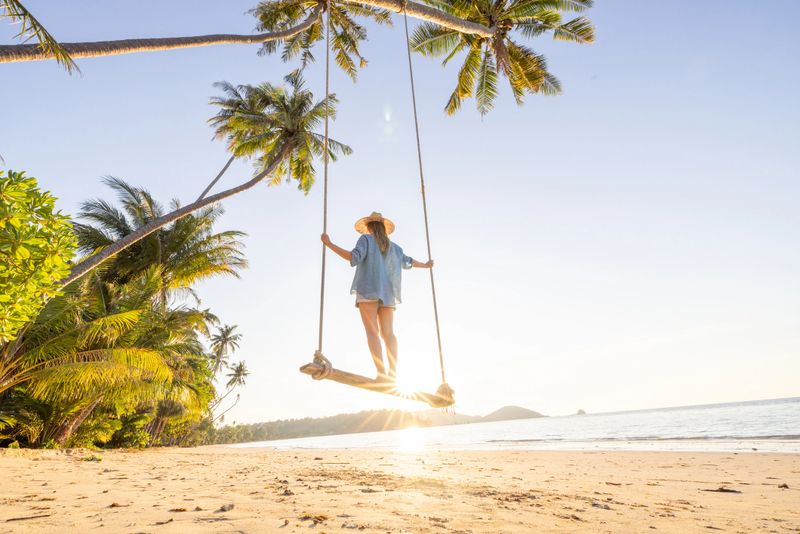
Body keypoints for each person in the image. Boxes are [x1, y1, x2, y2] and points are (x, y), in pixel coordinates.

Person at [321, 211, 433, 382]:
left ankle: (381, 374)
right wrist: (425, 266)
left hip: (368, 290)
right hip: (388, 295)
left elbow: (353, 257)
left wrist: (329, 244)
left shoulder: (365, 240)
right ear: (383, 228)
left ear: (368, 227)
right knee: (389, 334)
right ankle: (393, 374)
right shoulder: (395, 248)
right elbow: (409, 261)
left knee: (372, 332)